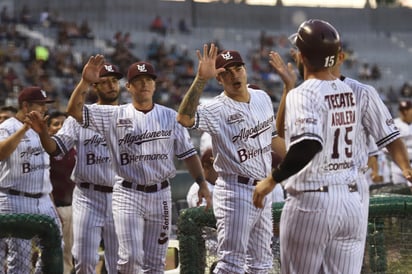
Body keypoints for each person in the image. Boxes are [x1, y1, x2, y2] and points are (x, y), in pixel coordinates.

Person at [268, 32, 412, 271]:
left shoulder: (346, 92)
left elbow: (390, 137)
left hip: (322, 192)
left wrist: (405, 167)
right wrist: (288, 87)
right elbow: (280, 131)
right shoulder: (309, 93)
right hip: (348, 196)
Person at [65, 56, 211, 274]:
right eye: (139, 80)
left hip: (160, 193)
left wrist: (202, 183)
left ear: (155, 84)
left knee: (155, 263)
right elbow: (75, 112)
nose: (144, 84)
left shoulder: (171, 116)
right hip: (127, 193)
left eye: (148, 79)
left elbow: (189, 154)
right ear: (129, 86)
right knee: (130, 259)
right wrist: (85, 83)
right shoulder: (114, 114)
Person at [177, 44, 286, 274]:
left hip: (262, 188)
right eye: (226, 71)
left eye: (237, 68)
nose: (234, 74)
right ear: (219, 78)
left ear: (245, 70)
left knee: (261, 264)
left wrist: (302, 161)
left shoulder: (262, 97)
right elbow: (184, 118)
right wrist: (199, 79)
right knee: (231, 265)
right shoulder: (216, 108)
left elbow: (273, 137)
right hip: (236, 191)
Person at [28, 63, 124, 274]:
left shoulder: (130, 115)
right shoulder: (80, 117)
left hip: (121, 195)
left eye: (114, 81)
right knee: (84, 260)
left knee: (120, 262)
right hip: (88, 195)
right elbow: (56, 149)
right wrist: (44, 134)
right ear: (96, 87)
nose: (111, 85)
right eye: (104, 82)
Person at [0, 86, 61, 273]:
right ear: (25, 106)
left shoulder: (41, 129)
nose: (44, 109)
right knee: (21, 258)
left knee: (56, 247)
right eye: (39, 105)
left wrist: (51, 203)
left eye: (45, 105)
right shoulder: (7, 127)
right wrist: (25, 127)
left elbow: (44, 170)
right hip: (15, 198)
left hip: (43, 197)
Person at [47, 110, 76, 274]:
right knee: (54, 257)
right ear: (48, 128)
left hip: (76, 208)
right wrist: (52, 209)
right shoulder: (44, 151)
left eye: (64, 124)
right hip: (55, 208)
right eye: (56, 124)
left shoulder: (77, 148)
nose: (60, 128)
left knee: (72, 256)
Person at [390, 100, 412, 187]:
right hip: (397, 165)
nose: (405, 112)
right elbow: (386, 146)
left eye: (408, 109)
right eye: (402, 110)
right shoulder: (392, 124)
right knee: (400, 193)